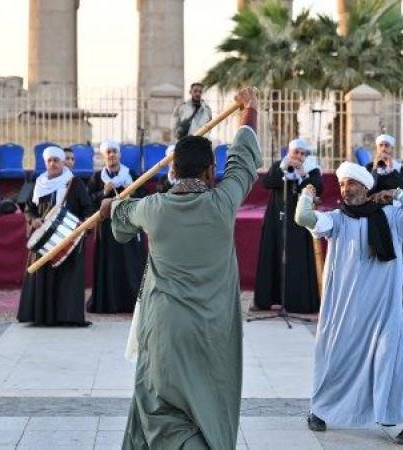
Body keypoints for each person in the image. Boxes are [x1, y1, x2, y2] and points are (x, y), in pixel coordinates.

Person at [99, 88, 260, 449]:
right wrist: (249, 111)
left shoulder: (153, 208)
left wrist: (111, 206)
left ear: (171, 170)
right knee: (208, 402)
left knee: (160, 404)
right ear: (210, 170)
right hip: (212, 330)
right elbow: (244, 159)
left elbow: (120, 221)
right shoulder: (223, 202)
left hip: (165, 328)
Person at [295, 161, 403, 445]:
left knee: (390, 364)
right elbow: (303, 218)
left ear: (365, 187)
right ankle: (320, 409)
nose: (346, 190)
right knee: (333, 359)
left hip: (382, 312)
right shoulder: (337, 219)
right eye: (343, 184)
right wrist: (307, 194)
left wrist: (396, 195)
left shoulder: (392, 217)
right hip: (344, 311)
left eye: (352, 184)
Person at [17, 146, 93, 327]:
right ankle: (41, 316)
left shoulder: (74, 183)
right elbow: (29, 209)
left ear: (62, 162)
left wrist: (82, 227)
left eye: (56, 160)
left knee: (67, 278)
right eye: (49, 161)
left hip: (68, 241)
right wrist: (33, 220)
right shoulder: (39, 183)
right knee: (42, 275)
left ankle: (67, 317)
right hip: (44, 239)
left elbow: (88, 209)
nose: (53, 164)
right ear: (45, 163)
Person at [252, 138, 322, 314]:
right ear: (289, 153)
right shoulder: (280, 165)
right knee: (273, 255)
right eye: (295, 152)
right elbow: (267, 182)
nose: (298, 156)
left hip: (298, 223)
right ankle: (268, 298)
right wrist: (284, 169)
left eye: (302, 153)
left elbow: (318, 188)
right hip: (277, 219)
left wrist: (303, 176)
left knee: (296, 260)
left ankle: (297, 302)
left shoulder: (312, 169)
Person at [86, 140, 147, 314]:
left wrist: (131, 191)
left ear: (119, 154)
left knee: (131, 265)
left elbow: (144, 197)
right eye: (108, 152)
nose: (111, 155)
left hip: (129, 227)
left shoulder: (132, 175)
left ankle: (133, 302)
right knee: (109, 267)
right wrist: (104, 192)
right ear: (104, 156)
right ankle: (109, 303)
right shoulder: (97, 178)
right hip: (107, 231)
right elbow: (89, 201)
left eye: (114, 152)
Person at [366, 133, 403, 313]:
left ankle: (398, 301)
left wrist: (390, 170)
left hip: (394, 218)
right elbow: (369, 187)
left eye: (387, 146)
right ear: (377, 148)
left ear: (392, 149)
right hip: (374, 216)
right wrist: (376, 170)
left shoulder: (399, 168)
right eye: (381, 146)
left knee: (396, 258)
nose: (384, 149)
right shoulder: (369, 167)